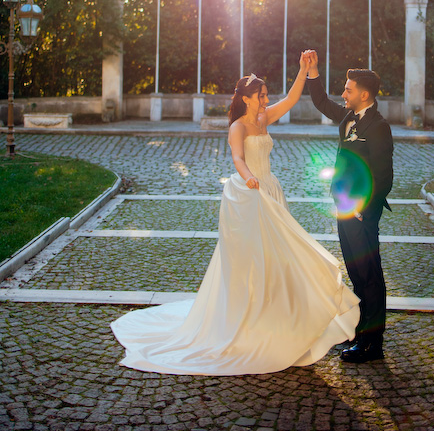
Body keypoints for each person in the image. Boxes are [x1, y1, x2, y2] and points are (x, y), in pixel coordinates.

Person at [111, 54, 360, 375]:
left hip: (271, 191)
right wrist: (248, 178)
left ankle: (279, 317)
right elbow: (239, 159)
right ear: (246, 98)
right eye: (261, 95)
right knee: (252, 261)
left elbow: (293, 98)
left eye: (266, 95)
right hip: (249, 194)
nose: (266, 100)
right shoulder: (238, 126)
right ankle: (248, 319)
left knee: (280, 257)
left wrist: (302, 71)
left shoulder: (264, 118)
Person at [305, 50, 393, 364]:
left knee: (370, 276)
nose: (343, 94)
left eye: (348, 89)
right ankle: (362, 335)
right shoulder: (348, 118)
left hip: (360, 214)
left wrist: (363, 211)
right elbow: (322, 103)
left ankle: (373, 345)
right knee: (357, 275)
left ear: (364, 94)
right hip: (345, 209)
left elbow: (383, 176)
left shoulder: (378, 127)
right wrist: (312, 72)